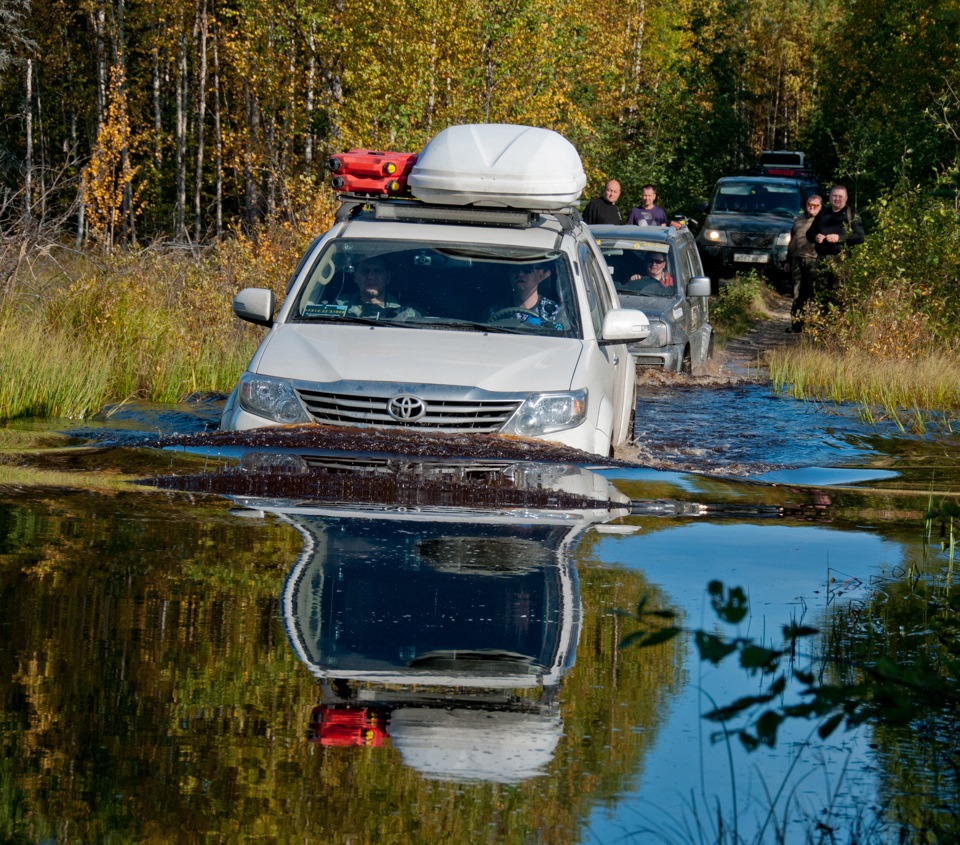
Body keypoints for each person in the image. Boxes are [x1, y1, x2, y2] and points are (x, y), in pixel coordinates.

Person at [805, 184, 865, 296]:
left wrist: (839, 238)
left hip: (841, 259)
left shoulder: (851, 214)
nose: (837, 199)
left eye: (840, 196)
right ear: (830, 197)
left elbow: (860, 237)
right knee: (820, 293)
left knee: (839, 292)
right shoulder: (823, 213)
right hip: (822, 259)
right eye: (834, 196)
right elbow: (809, 234)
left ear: (846, 198)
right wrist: (816, 237)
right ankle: (821, 313)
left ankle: (839, 313)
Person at [489, 262, 569, 329]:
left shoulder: (555, 313)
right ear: (509, 275)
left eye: (527, 269)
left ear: (540, 275)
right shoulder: (495, 311)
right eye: (515, 270)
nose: (520, 274)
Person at [336, 256, 418, 319]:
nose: (371, 276)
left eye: (378, 271)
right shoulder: (339, 305)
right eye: (365, 271)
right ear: (355, 277)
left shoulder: (405, 312)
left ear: (388, 278)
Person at [785, 194, 821, 332]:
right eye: (809, 205)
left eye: (815, 205)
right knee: (797, 293)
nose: (812, 208)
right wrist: (788, 260)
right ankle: (796, 325)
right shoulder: (798, 220)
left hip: (814, 260)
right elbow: (791, 240)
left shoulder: (822, 220)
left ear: (820, 207)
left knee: (813, 293)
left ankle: (813, 325)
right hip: (797, 259)